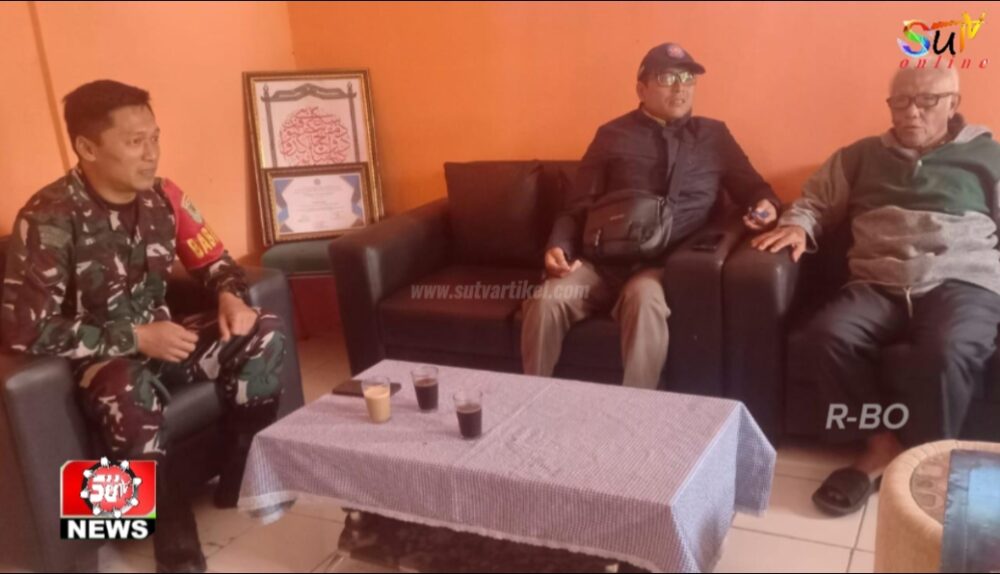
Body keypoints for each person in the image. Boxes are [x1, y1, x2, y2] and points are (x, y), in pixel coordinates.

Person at [1, 80, 287, 572]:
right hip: (97, 365)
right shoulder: (48, 218)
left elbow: (217, 262)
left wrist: (229, 296)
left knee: (262, 330)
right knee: (127, 387)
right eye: (135, 142)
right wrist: (133, 338)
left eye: (154, 138)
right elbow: (24, 331)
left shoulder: (164, 197)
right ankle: (169, 533)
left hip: (164, 344)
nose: (151, 153)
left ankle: (240, 475)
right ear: (87, 147)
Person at [753, 66, 1000, 515]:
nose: (911, 112)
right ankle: (880, 445)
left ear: (953, 103)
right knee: (827, 336)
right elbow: (814, 202)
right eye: (900, 101)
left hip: (962, 280)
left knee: (947, 350)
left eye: (926, 101)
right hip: (878, 282)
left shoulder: (988, 155)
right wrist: (798, 225)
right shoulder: (859, 156)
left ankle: (930, 462)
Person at [521, 42, 780, 389]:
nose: (680, 87)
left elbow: (756, 190)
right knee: (547, 302)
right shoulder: (611, 135)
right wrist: (558, 246)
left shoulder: (714, 137)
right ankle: (532, 401)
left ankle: (636, 412)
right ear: (641, 89)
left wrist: (767, 208)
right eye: (668, 78)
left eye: (687, 78)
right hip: (599, 264)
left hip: (658, 268)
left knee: (645, 304)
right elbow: (577, 205)